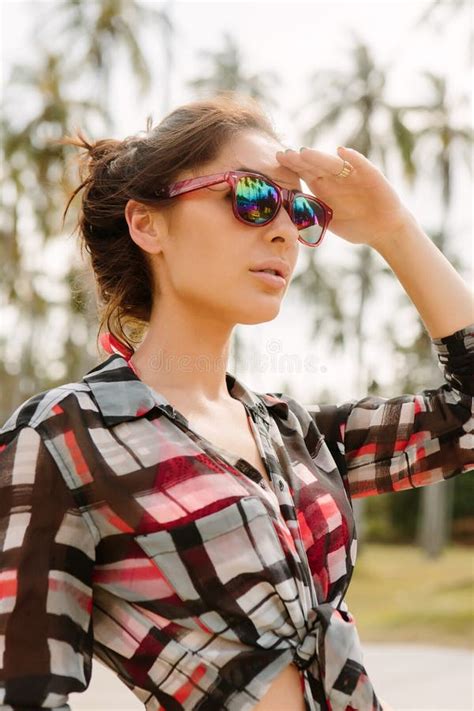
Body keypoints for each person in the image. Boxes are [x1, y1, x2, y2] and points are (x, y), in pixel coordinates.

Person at [0, 92, 472, 711]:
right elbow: (27, 694)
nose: (283, 230)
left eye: (299, 209)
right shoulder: (64, 437)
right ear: (148, 224)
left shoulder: (292, 433)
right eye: (251, 197)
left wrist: (394, 230)